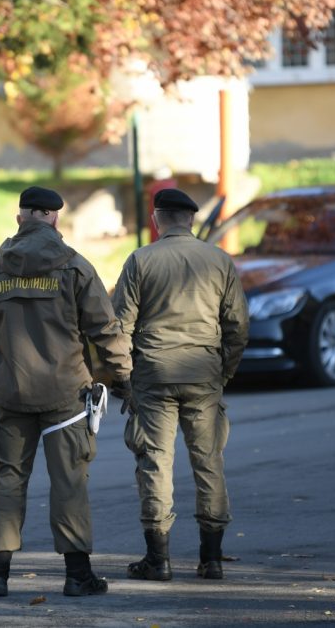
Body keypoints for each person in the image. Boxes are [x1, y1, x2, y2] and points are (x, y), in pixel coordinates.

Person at [0, 186, 133, 598]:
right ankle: (77, 576)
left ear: (20, 218)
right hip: (66, 398)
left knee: (9, 480)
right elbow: (104, 330)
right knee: (69, 482)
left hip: (9, 394)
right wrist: (122, 378)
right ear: (55, 219)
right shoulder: (75, 268)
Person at [112, 187, 249, 581]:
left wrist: (123, 377)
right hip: (203, 372)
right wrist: (223, 372)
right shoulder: (219, 260)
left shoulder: (140, 260)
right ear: (190, 219)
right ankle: (212, 559)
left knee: (155, 461)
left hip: (153, 374)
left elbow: (120, 326)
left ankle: (159, 559)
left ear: (157, 220)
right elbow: (237, 326)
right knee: (209, 462)